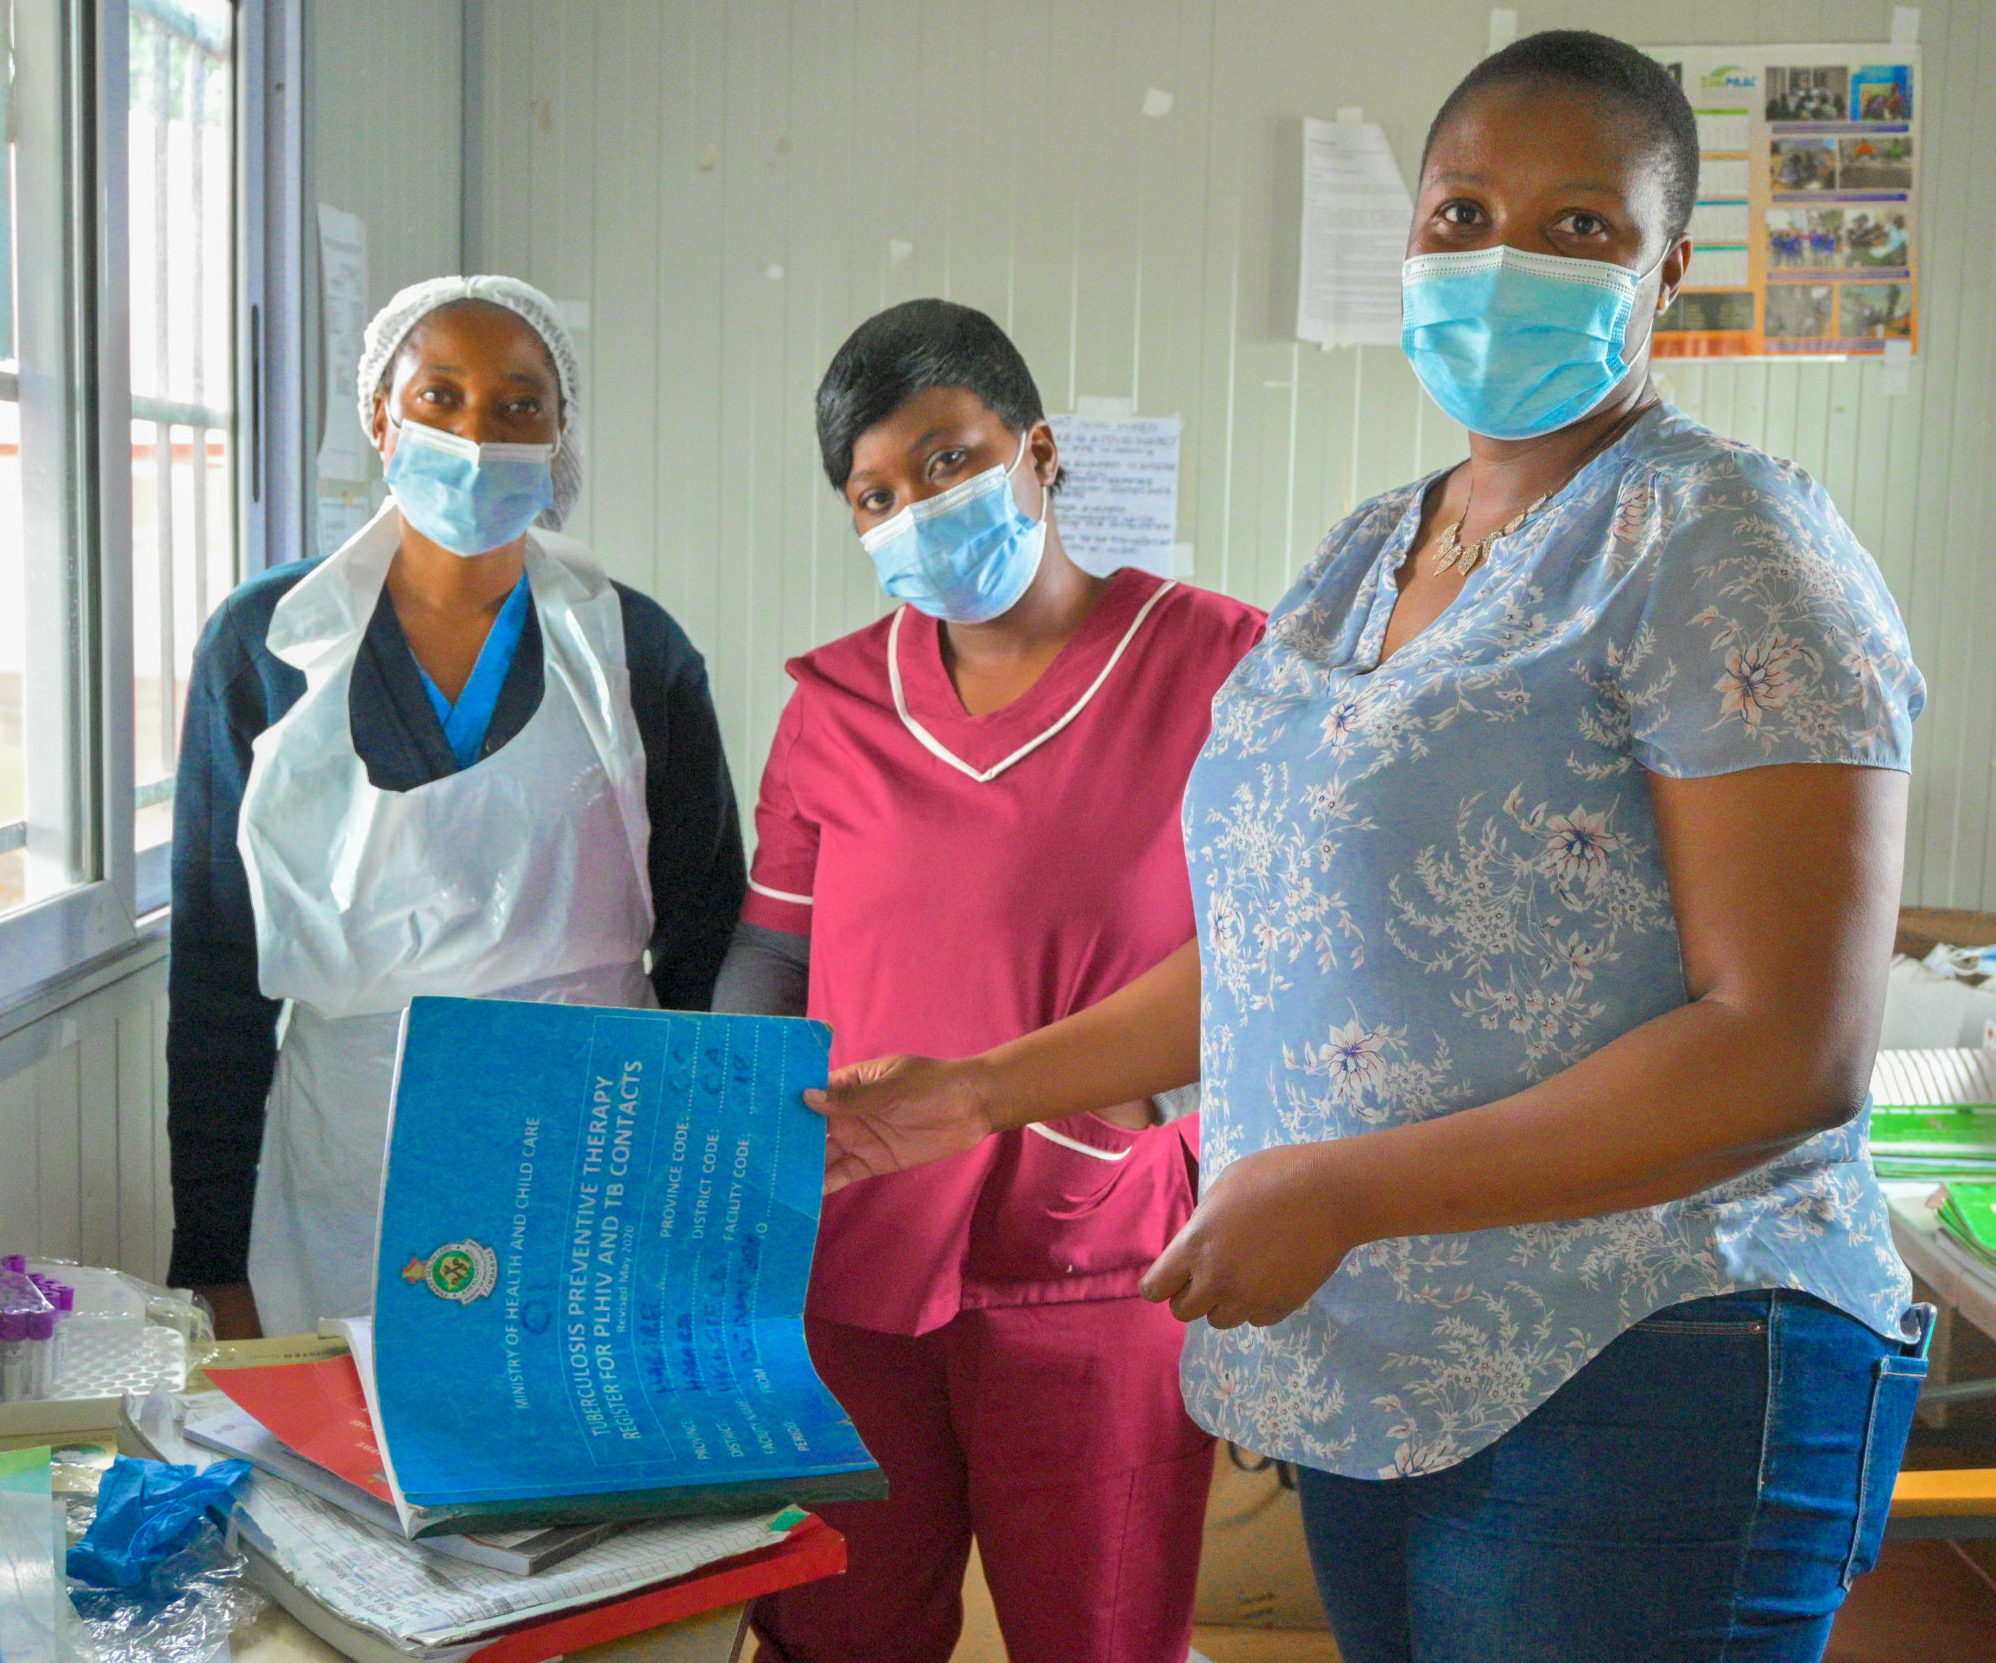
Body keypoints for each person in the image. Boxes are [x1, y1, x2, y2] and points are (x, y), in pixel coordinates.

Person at [809, 34, 1929, 1663]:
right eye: (1465, 212)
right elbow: (1272, 951)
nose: (1501, 267)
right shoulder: (1364, 555)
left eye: (1578, 229)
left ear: (1667, 271)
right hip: (1384, 1363)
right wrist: (971, 1093)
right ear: (1409, 243)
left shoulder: (1724, 540)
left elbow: (1789, 1048)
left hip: (1650, 1350)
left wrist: (1338, 1184)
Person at [715, 298, 1264, 1663]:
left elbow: (1286, 955)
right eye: (877, 492)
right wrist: (734, 1128)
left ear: (1039, 448)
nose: (920, 507)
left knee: (1102, 1630)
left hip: (1097, 1249)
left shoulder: (1222, 665)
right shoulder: (833, 704)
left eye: (951, 459)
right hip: (850, 1247)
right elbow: (770, 953)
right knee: (836, 1623)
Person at [167, 276, 744, 1340]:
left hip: (588, 1139)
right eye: (440, 396)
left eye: (519, 405)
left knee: (568, 1466)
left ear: (560, 434)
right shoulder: (264, 647)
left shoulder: (634, 651)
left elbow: (709, 936)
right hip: (347, 1156)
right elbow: (215, 975)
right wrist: (208, 1257)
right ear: (381, 416)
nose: (478, 433)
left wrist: (691, 1190)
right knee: (344, 1473)